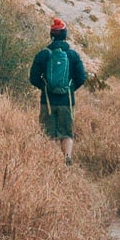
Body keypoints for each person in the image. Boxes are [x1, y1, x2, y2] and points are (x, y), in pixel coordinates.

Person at [29, 18, 87, 164]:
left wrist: (45, 88)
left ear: (51, 35)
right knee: (66, 133)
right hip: (66, 101)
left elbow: (33, 78)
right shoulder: (73, 55)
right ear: (65, 35)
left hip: (47, 101)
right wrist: (70, 88)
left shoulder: (43, 54)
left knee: (46, 133)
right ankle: (66, 158)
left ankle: (48, 163)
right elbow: (81, 77)